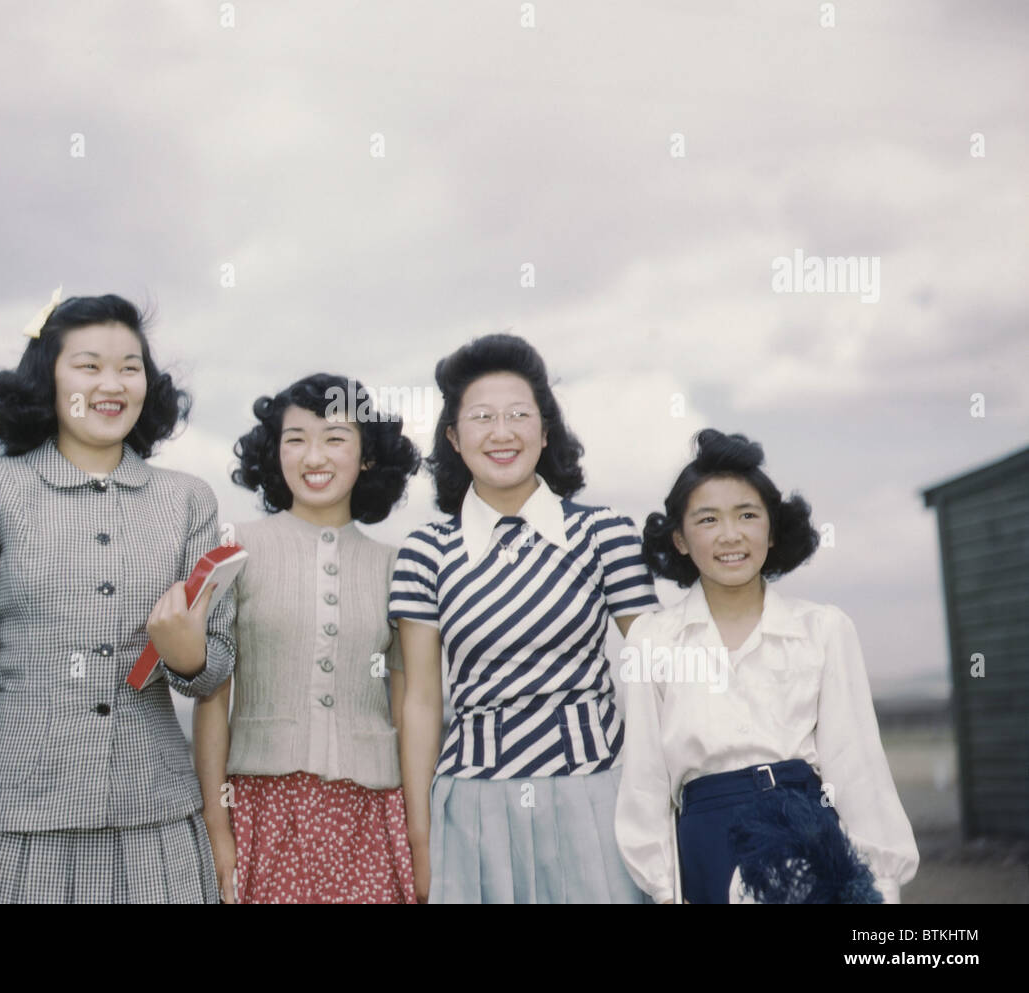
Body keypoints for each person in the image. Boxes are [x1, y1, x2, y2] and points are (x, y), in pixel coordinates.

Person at [0, 291, 234, 904]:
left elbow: (214, 672)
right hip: (23, 823)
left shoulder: (188, 500)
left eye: (130, 366)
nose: (112, 383)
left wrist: (190, 655)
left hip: (160, 822)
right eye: (88, 365)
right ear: (48, 376)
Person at [390, 333, 657, 903]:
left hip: (598, 794)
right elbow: (420, 702)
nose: (502, 431)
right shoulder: (425, 552)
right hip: (473, 807)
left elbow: (653, 672)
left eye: (518, 414)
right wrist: (420, 837)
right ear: (454, 439)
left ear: (545, 429)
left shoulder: (605, 533)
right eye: (482, 417)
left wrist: (658, 797)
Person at [615, 428, 919, 904]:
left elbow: (856, 767)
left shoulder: (823, 629)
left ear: (772, 530)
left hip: (811, 837)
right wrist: (663, 890)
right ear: (678, 538)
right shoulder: (651, 641)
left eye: (747, 515)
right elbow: (644, 785)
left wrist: (879, 885)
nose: (730, 535)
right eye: (708, 519)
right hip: (706, 847)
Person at [194, 374, 422, 903]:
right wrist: (216, 821)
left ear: (367, 457)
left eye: (335, 438)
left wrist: (418, 827)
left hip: (372, 814)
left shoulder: (396, 566)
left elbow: (408, 702)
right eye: (295, 438)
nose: (313, 456)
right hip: (260, 808)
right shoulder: (234, 549)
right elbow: (212, 694)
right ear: (274, 454)